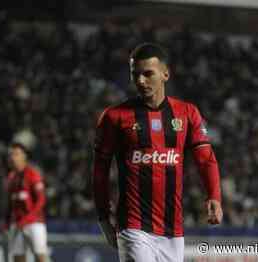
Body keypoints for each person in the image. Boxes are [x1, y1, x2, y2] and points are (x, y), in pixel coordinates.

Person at [92, 42, 223, 262]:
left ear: (165, 74)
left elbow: (206, 160)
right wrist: (103, 218)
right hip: (133, 226)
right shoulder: (115, 117)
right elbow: (99, 171)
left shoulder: (187, 113)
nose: (140, 81)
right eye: (135, 74)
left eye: (148, 73)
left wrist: (214, 196)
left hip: (173, 230)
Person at [2, 143, 47, 262]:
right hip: (16, 224)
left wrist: (27, 219)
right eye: (11, 154)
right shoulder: (11, 178)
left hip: (34, 222)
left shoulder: (33, 174)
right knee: (18, 258)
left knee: (40, 257)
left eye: (16, 154)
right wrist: (6, 222)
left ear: (24, 157)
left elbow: (41, 200)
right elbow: (10, 203)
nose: (12, 157)